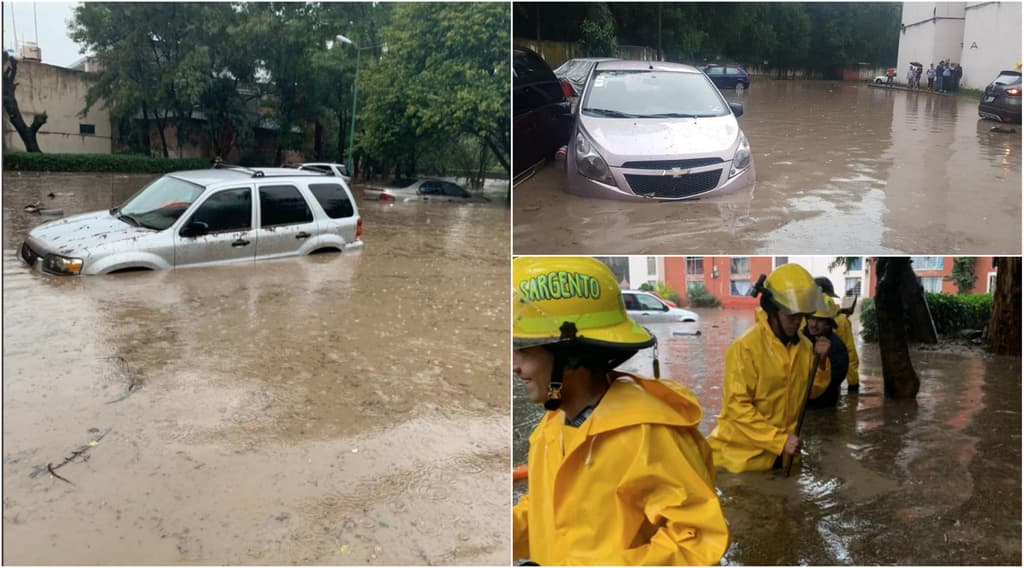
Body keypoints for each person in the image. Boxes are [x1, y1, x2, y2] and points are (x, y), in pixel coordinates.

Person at [512, 256, 730, 566]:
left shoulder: (649, 434)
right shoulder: (552, 426)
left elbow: (698, 541)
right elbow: (544, 511)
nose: (514, 367)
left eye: (525, 351)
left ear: (571, 355)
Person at [707, 264, 832, 473]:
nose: (797, 322)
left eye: (801, 315)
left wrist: (821, 363)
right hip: (741, 462)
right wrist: (780, 441)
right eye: (790, 315)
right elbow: (737, 408)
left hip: (783, 458)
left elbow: (812, 392)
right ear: (772, 311)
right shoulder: (745, 348)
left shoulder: (805, 347)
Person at [803, 294, 849, 409]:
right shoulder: (799, 339)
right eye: (811, 318)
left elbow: (836, 379)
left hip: (824, 405)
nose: (813, 324)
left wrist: (822, 363)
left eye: (819, 320)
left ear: (828, 324)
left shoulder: (837, 347)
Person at [815, 277, 860, 393]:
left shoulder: (800, 319)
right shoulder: (841, 321)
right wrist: (853, 385)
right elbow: (850, 355)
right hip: (830, 380)